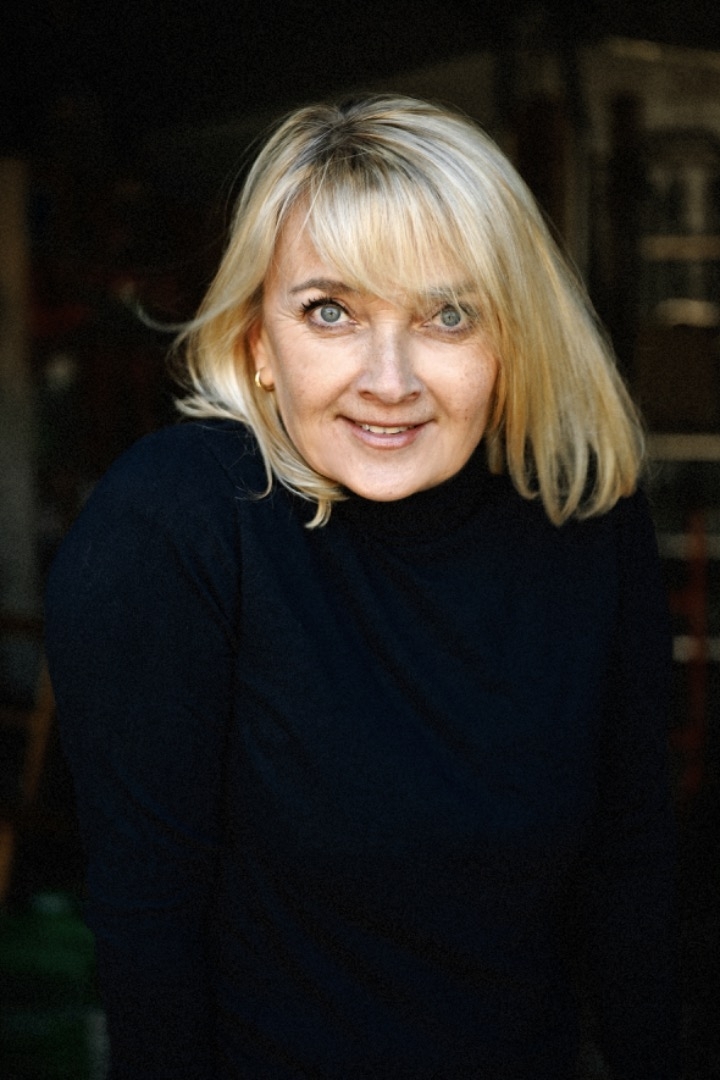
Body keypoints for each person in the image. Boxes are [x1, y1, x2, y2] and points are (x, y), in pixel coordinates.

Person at [45, 95, 680, 1079]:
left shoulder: (585, 511)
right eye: (330, 311)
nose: (389, 380)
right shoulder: (175, 524)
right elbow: (147, 928)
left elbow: (633, 874)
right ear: (258, 342)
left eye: (447, 315)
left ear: (511, 341)